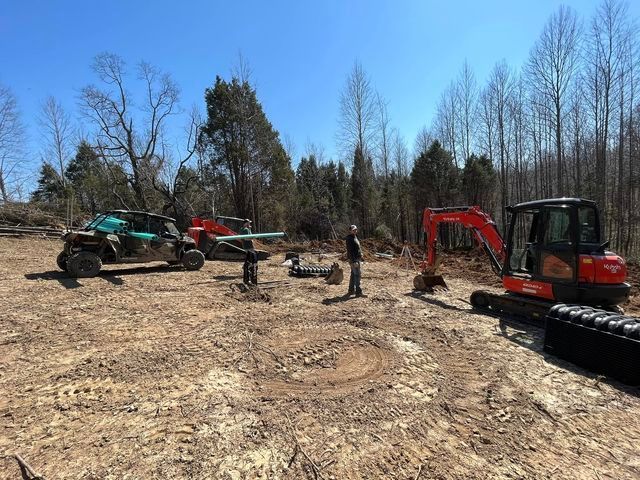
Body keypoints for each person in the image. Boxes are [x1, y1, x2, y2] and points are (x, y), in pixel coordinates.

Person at [345, 224, 364, 297]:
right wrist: (354, 261)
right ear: (350, 231)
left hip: (357, 258)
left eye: (356, 229)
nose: (355, 231)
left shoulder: (355, 237)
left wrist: (361, 254)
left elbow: (357, 248)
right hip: (354, 259)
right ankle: (358, 292)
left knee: (353, 275)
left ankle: (351, 290)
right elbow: (350, 251)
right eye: (353, 230)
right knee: (357, 275)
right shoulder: (349, 239)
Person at [240, 219, 258, 285]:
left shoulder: (243, 229)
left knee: (248, 257)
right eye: (248, 223)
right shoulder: (245, 230)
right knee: (251, 258)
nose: (249, 224)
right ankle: (249, 269)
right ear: (246, 223)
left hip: (246, 246)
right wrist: (253, 237)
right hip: (248, 246)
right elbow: (246, 238)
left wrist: (250, 230)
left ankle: (246, 267)